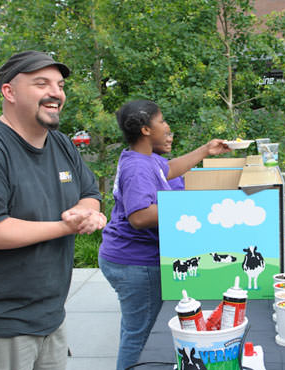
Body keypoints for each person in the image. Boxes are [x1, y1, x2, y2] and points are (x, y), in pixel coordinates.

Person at [0, 51, 106, 370]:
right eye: (41, 83)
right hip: (1, 325)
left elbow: (89, 192)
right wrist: (67, 227)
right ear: (9, 92)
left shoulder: (62, 143)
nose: (56, 93)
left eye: (60, 85)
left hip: (52, 316)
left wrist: (86, 212)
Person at [99, 100, 230, 370]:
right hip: (134, 262)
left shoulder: (146, 159)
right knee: (139, 336)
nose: (167, 126)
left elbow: (169, 169)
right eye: (162, 121)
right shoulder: (136, 167)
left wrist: (206, 150)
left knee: (137, 329)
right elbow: (139, 216)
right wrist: (195, 209)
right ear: (146, 130)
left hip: (132, 259)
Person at [152, 122, 185, 190]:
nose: (170, 139)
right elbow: (178, 192)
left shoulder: (159, 161)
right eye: (164, 135)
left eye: (170, 134)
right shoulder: (155, 162)